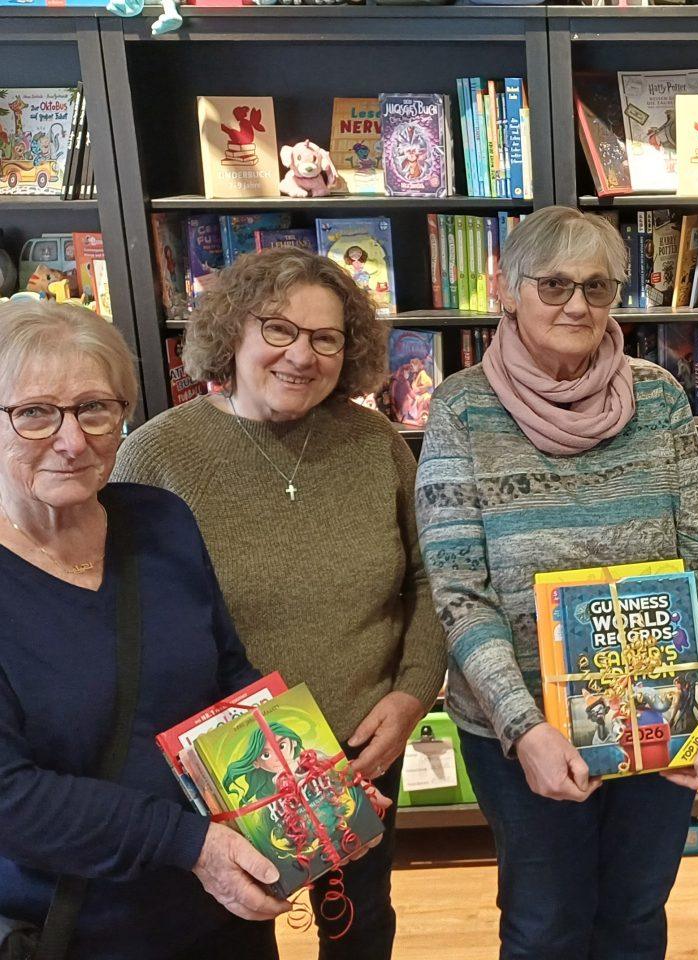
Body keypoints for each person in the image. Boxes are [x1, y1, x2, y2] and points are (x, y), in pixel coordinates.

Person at [415, 205, 698, 960]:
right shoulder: (463, 408)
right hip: (522, 731)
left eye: (597, 287)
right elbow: (460, 592)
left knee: (635, 916)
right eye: (554, 284)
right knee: (545, 927)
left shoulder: (658, 398)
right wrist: (524, 729)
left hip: (660, 713)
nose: (577, 305)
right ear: (508, 291)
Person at [111, 248, 447, 960]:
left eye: (326, 338)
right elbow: (123, 616)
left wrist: (413, 693)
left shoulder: (376, 443)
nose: (301, 355)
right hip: (226, 768)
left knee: (360, 927)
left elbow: (427, 578)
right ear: (231, 330)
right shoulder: (155, 457)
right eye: (279, 329)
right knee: (231, 935)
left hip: (362, 749)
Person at [0, 300, 290, 959]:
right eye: (35, 413)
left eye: (94, 409)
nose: (73, 441)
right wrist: (189, 844)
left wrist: (303, 783)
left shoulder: (160, 519)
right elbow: (10, 799)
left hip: (222, 907)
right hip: (77, 930)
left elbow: (228, 674)